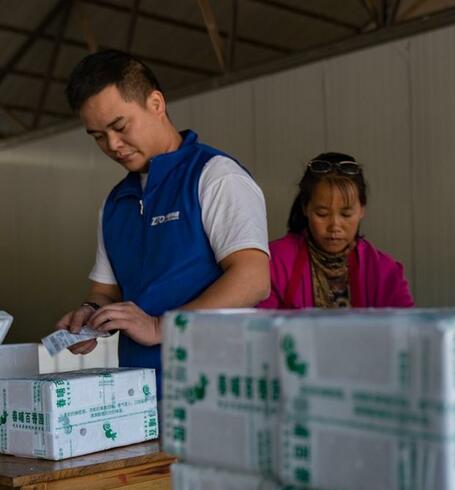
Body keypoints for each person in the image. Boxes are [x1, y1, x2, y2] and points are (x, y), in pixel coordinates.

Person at [55, 50, 270, 395]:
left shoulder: (215, 176)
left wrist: (160, 326)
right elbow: (106, 291)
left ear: (156, 103)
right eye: (97, 135)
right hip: (140, 395)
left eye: (120, 126)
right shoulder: (115, 204)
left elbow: (253, 278)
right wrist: (89, 315)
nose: (112, 145)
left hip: (218, 390)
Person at [257, 153, 413, 309]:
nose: (334, 226)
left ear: (362, 210)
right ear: (305, 208)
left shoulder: (385, 272)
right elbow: (260, 329)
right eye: (322, 214)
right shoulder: (273, 264)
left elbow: (406, 329)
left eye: (346, 214)